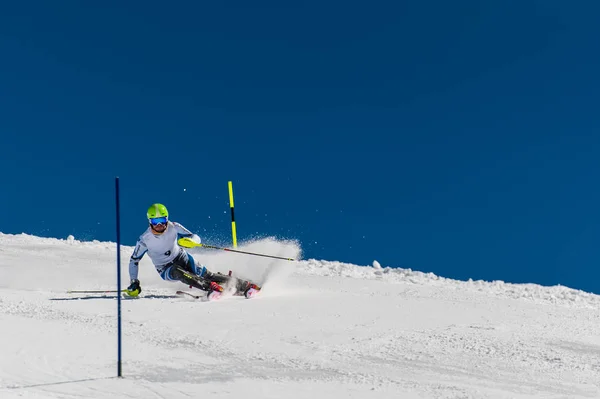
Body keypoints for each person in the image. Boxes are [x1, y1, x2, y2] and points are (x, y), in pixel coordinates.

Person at [126, 203, 260, 300]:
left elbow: (194, 236)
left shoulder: (174, 227)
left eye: (162, 220)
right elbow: (134, 260)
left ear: (167, 219)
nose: (159, 225)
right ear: (150, 222)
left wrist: (191, 241)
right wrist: (134, 281)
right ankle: (210, 288)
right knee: (179, 272)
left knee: (208, 274)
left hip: (181, 256)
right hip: (165, 268)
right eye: (155, 221)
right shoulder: (144, 240)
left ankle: (245, 285)